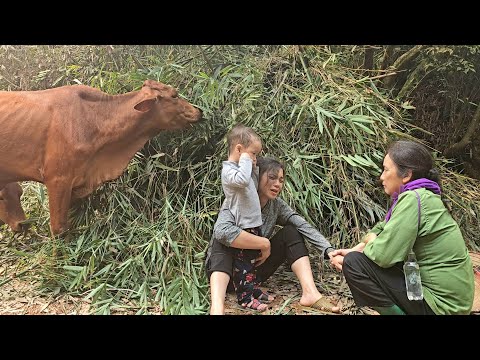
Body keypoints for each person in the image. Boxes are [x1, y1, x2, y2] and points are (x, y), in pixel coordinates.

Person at [329, 140, 474, 315]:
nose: (381, 177)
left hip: (441, 306)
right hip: (451, 304)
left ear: (406, 175)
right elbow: (383, 227)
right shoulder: (423, 196)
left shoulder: (414, 198)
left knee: (354, 264)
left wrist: (367, 243)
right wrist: (360, 247)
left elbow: (383, 255)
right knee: (357, 258)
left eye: (386, 169)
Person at [205, 156, 341, 315]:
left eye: (281, 180)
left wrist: (328, 250)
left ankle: (310, 293)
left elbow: (302, 225)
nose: (277, 184)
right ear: (256, 176)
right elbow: (221, 232)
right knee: (222, 240)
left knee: (291, 232)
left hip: (252, 274)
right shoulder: (237, 200)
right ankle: (217, 307)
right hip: (224, 274)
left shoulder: (276, 206)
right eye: (272, 177)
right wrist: (263, 243)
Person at [221, 124, 267, 311]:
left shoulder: (243, 169)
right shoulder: (229, 172)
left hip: (254, 222)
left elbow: (251, 183)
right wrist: (246, 161)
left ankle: (253, 289)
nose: (255, 157)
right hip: (243, 226)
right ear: (239, 149)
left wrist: (253, 167)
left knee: (252, 262)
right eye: (253, 153)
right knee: (244, 265)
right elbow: (241, 180)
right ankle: (245, 298)